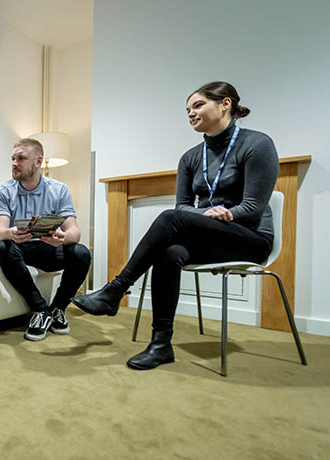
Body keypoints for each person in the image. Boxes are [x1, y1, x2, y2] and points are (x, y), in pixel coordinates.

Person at [72, 81, 278, 370]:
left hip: (250, 238)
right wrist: (204, 216)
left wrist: (217, 214)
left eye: (198, 105)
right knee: (170, 253)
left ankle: (115, 290)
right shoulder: (191, 157)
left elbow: (253, 206)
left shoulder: (257, 144)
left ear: (225, 104)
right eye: (187, 110)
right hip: (212, 237)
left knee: (171, 218)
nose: (191, 113)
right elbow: (183, 205)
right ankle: (161, 344)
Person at [0, 138, 91, 341]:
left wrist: (63, 238)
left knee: (81, 252)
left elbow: (75, 232)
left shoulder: (59, 189)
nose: (14, 163)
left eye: (21, 158)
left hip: (48, 249)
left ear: (38, 162)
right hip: (18, 250)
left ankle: (57, 308)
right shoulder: (2, 191)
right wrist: (11, 233)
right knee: (0, 247)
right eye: (13, 158)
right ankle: (41, 310)